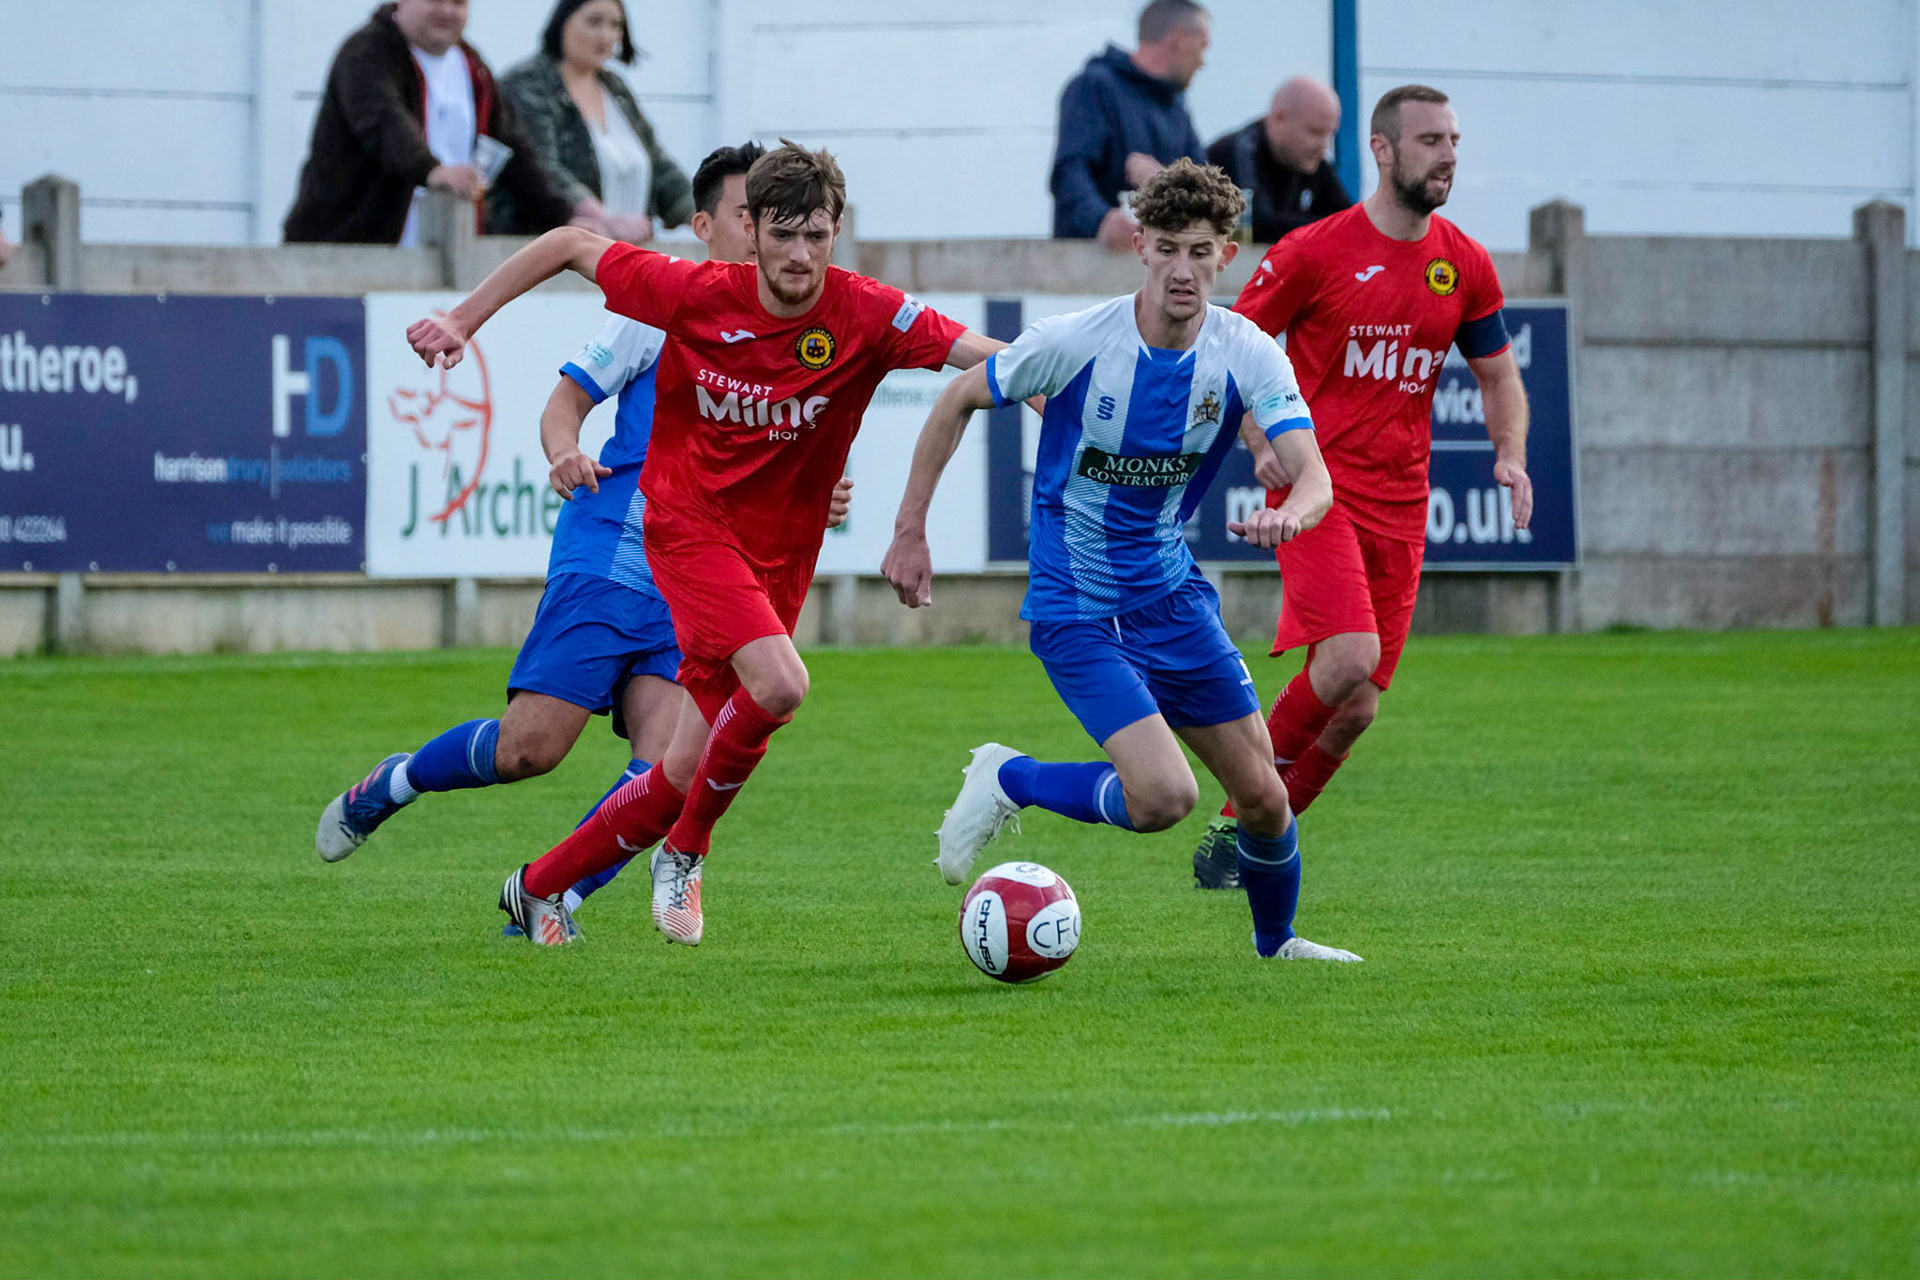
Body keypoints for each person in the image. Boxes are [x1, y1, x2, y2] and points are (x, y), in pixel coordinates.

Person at [405, 142, 1008, 947]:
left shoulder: (867, 311)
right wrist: (461, 319)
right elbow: (568, 244)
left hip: (778, 559)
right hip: (686, 529)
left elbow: (994, 363)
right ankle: (686, 852)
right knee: (782, 685)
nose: (800, 255)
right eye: (783, 233)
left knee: (683, 771)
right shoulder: (692, 291)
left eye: (817, 237)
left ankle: (538, 888)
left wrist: (1077, 387)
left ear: (836, 237)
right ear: (749, 230)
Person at [316, 144, 851, 937]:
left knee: (670, 760)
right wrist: (565, 449)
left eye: (773, 217)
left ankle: (551, 898)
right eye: (748, 215)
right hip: (613, 551)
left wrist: (815, 495)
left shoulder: (799, 328)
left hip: (699, 582)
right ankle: (395, 783)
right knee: (529, 751)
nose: (764, 232)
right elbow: (563, 403)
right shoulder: (660, 305)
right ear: (706, 227)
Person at [882, 159, 1360, 963]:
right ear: (1139, 246)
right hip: (1076, 607)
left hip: (1170, 598)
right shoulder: (1076, 342)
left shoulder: (1245, 352)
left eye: (1199, 251)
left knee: (1265, 799)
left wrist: (1293, 515)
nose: (1182, 268)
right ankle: (1013, 779)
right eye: (1167, 247)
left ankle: (1275, 947)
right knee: (1164, 798)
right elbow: (960, 394)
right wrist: (910, 530)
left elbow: (1314, 474)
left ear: (1226, 256)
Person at [1188, 84, 1531, 887]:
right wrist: (1256, 437)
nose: (1448, 155)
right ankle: (1243, 809)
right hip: (1317, 493)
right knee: (1345, 662)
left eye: (1453, 141)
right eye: (1430, 142)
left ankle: (1243, 847)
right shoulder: (1313, 250)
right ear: (1381, 151)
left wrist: (1508, 453)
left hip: (1402, 510)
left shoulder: (1464, 263)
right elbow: (1232, 345)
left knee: (1357, 710)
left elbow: (1498, 375)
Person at [284, 0, 583, 245]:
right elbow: (381, 121)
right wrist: (431, 170)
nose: (447, 11)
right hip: (350, 247)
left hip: (449, 252)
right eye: (436, 0)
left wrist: (565, 216)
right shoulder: (366, 51)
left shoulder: (471, 64)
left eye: (458, 3)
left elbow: (514, 148)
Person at [492, 0, 694, 242]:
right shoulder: (526, 83)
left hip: (627, 257)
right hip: (551, 254)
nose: (606, 35)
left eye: (615, 25)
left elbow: (660, 167)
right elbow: (540, 167)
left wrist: (705, 216)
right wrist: (604, 221)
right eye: (594, 21)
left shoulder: (615, 87)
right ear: (563, 22)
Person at [1050, 0, 1209, 251]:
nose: (1202, 62)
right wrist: (1101, 221)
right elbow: (1070, 172)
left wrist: (1164, 181)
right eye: (1202, 47)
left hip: (1160, 274)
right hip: (1091, 269)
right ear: (1180, 39)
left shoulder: (1177, 111)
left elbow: (1205, 188)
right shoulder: (1095, 87)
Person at [1207, 77, 1351, 244]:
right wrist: (1330, 227)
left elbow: (1351, 221)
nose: (1325, 146)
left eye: (1330, 134)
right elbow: (1256, 225)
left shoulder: (1310, 158)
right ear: (1279, 118)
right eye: (1315, 132)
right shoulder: (1239, 153)